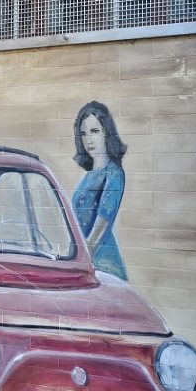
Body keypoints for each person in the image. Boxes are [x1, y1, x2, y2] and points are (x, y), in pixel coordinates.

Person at [71, 101, 128, 280]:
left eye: (94, 131)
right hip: (86, 264)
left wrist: (76, 262)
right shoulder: (90, 175)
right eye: (83, 133)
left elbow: (99, 230)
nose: (88, 139)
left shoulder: (114, 175)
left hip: (104, 268)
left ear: (106, 133)